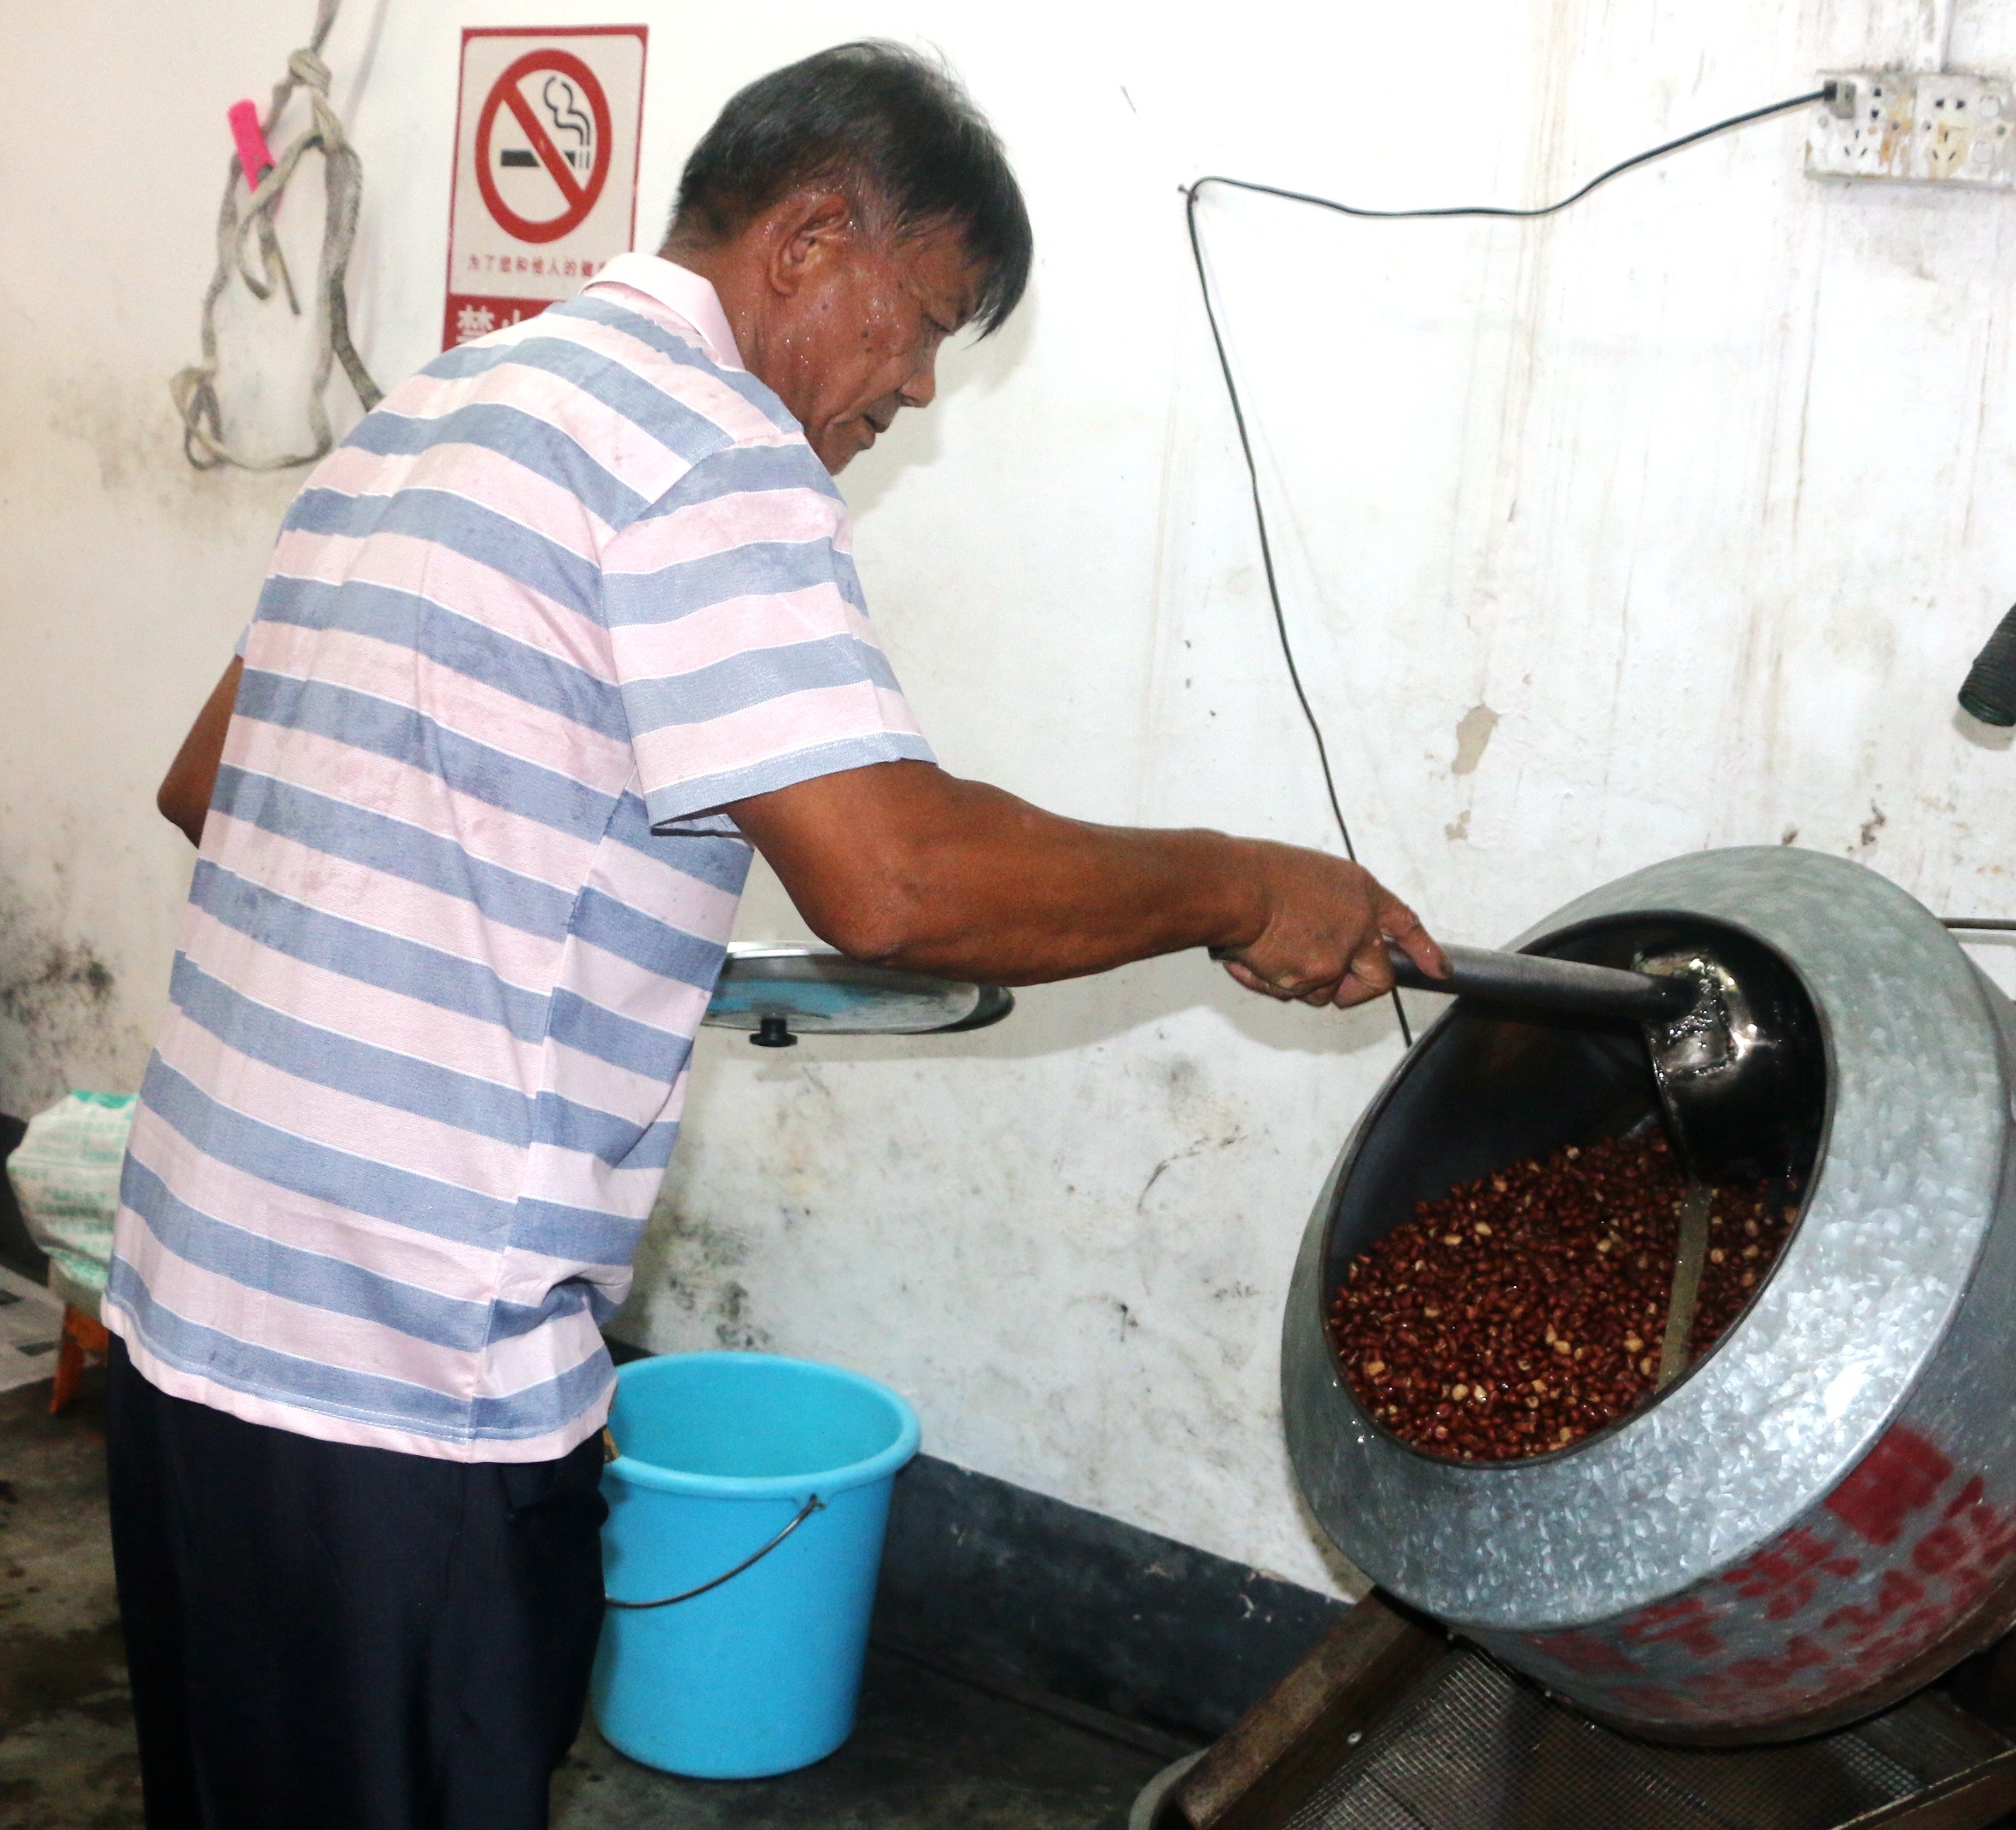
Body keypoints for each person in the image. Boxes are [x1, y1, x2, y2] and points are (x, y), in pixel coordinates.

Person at [109, 40, 1440, 1830]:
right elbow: (896, 883)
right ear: (810, 238)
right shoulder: (707, 442)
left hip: (189, 1326)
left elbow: (216, 783)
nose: (919, 386)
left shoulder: (437, 407)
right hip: (404, 1384)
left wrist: (525, 917)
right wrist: (1241, 882)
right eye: (926, 320)